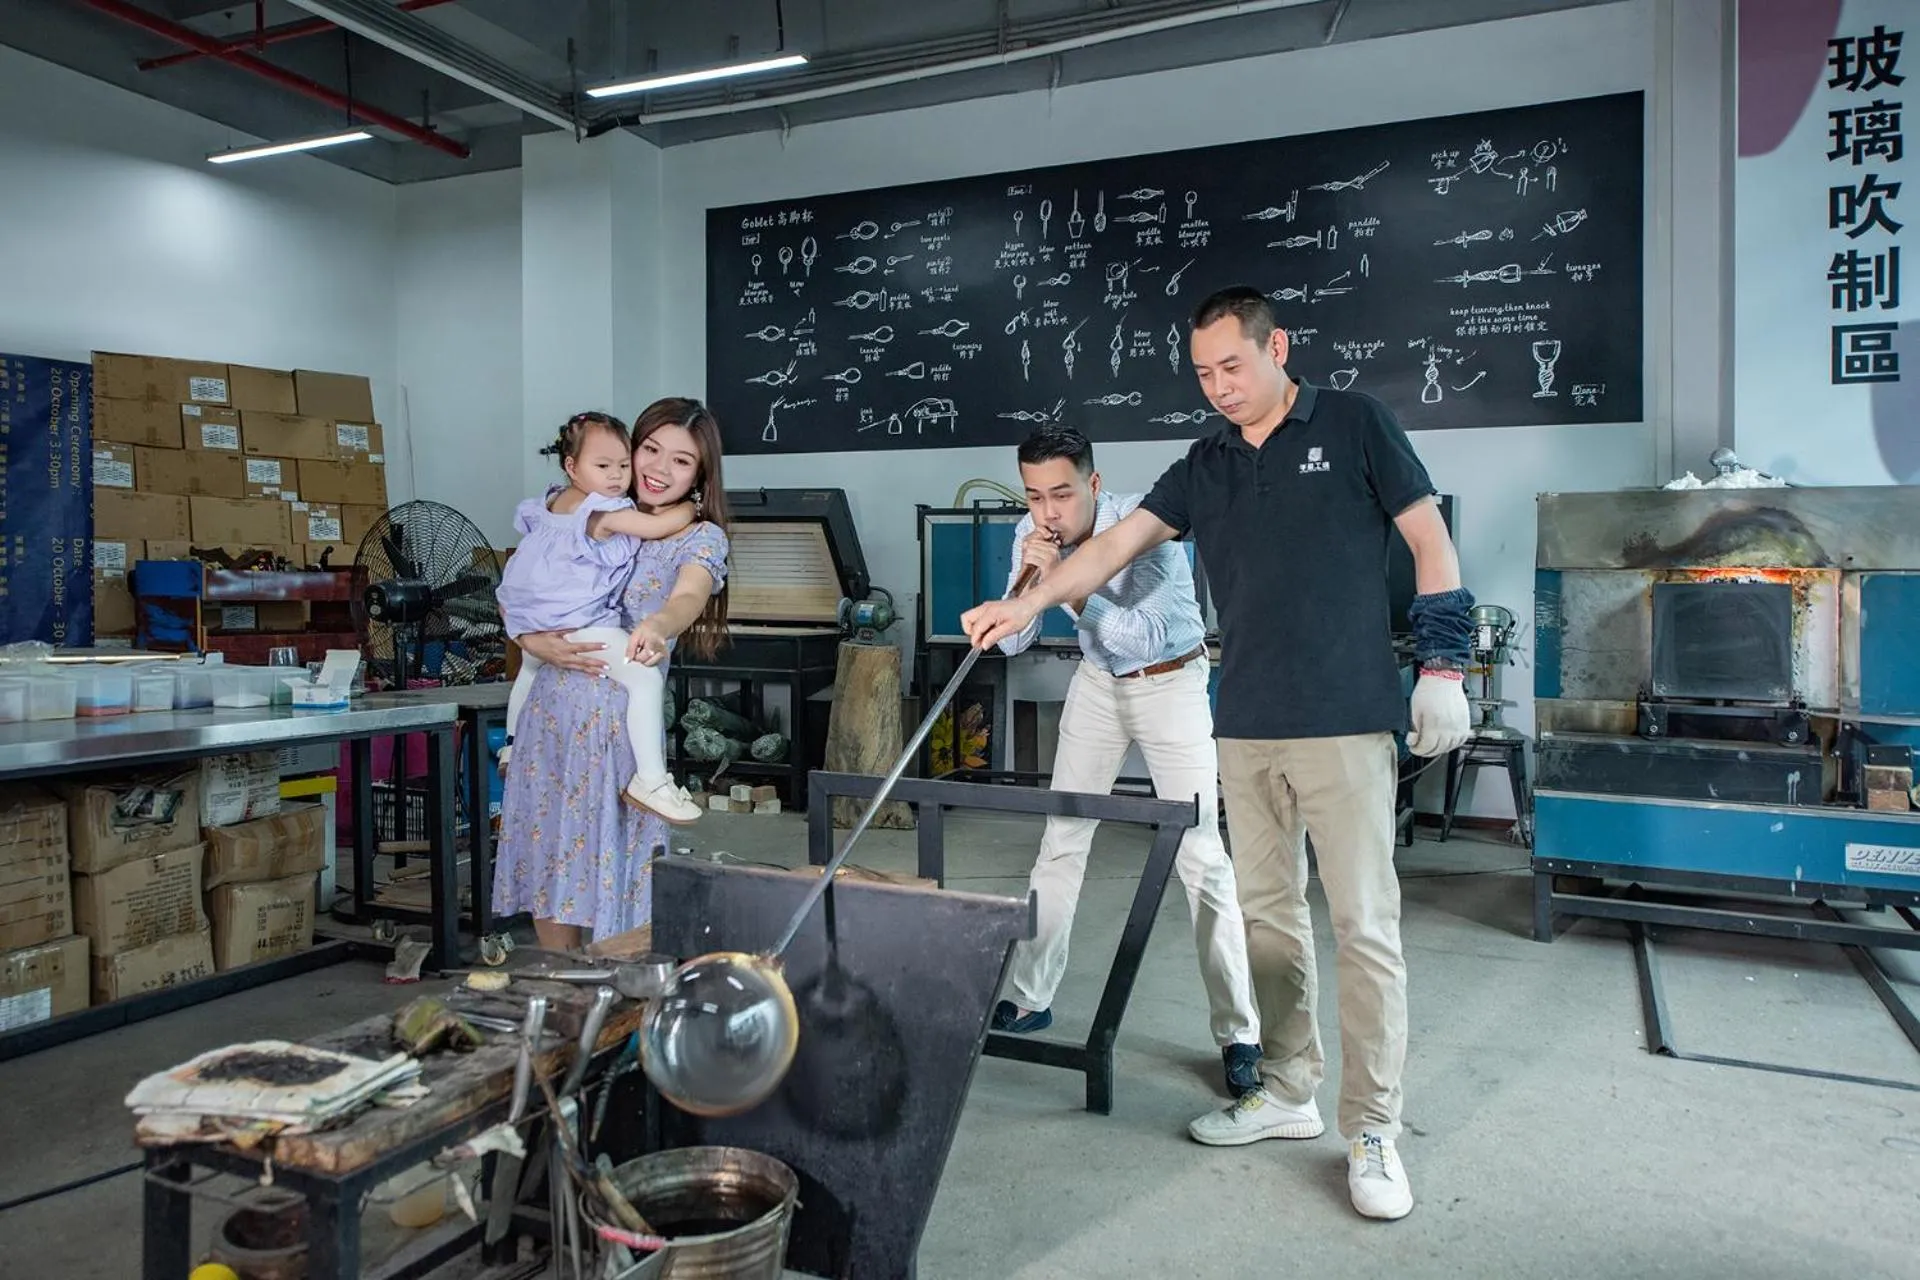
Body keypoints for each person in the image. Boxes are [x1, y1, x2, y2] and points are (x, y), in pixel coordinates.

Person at [963, 286, 1473, 1223]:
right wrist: (1028, 601)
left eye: (1232, 365)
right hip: (1241, 718)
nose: (1219, 387)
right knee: (1269, 917)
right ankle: (1286, 1089)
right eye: (1203, 374)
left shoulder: (1357, 424)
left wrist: (1444, 660)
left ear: (1277, 345)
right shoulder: (1203, 463)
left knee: (1362, 928)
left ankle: (1373, 1131)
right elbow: (1114, 543)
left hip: (1346, 715)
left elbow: (1428, 536)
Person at [987, 425, 1263, 1100]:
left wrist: (1063, 585)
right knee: (1061, 838)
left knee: (1199, 856)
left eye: (1061, 494)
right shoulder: (1034, 533)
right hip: (1099, 685)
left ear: (1094, 484)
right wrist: (1026, 574)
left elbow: (1139, 636)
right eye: (1034, 497)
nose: (1048, 512)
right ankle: (1029, 996)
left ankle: (1240, 1033)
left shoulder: (1148, 527)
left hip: (1171, 681)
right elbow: (1014, 641)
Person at [494, 397, 732, 951]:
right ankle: (562, 990)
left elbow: (690, 595)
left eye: (680, 461)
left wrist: (659, 623)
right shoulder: (589, 512)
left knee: (617, 873)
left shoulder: (698, 536)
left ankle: (611, 1005)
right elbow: (523, 588)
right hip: (549, 716)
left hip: (618, 736)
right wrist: (531, 640)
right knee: (551, 858)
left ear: (700, 475)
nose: (657, 468)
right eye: (650, 449)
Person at [496, 411, 702, 824]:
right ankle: (652, 780)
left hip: (541, 626)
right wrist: (691, 508)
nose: (616, 476)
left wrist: (528, 637)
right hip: (579, 628)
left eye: (622, 466)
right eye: (604, 466)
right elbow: (655, 527)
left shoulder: (554, 501)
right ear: (572, 467)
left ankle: (512, 744)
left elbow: (690, 593)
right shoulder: (602, 511)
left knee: (529, 671)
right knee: (644, 678)